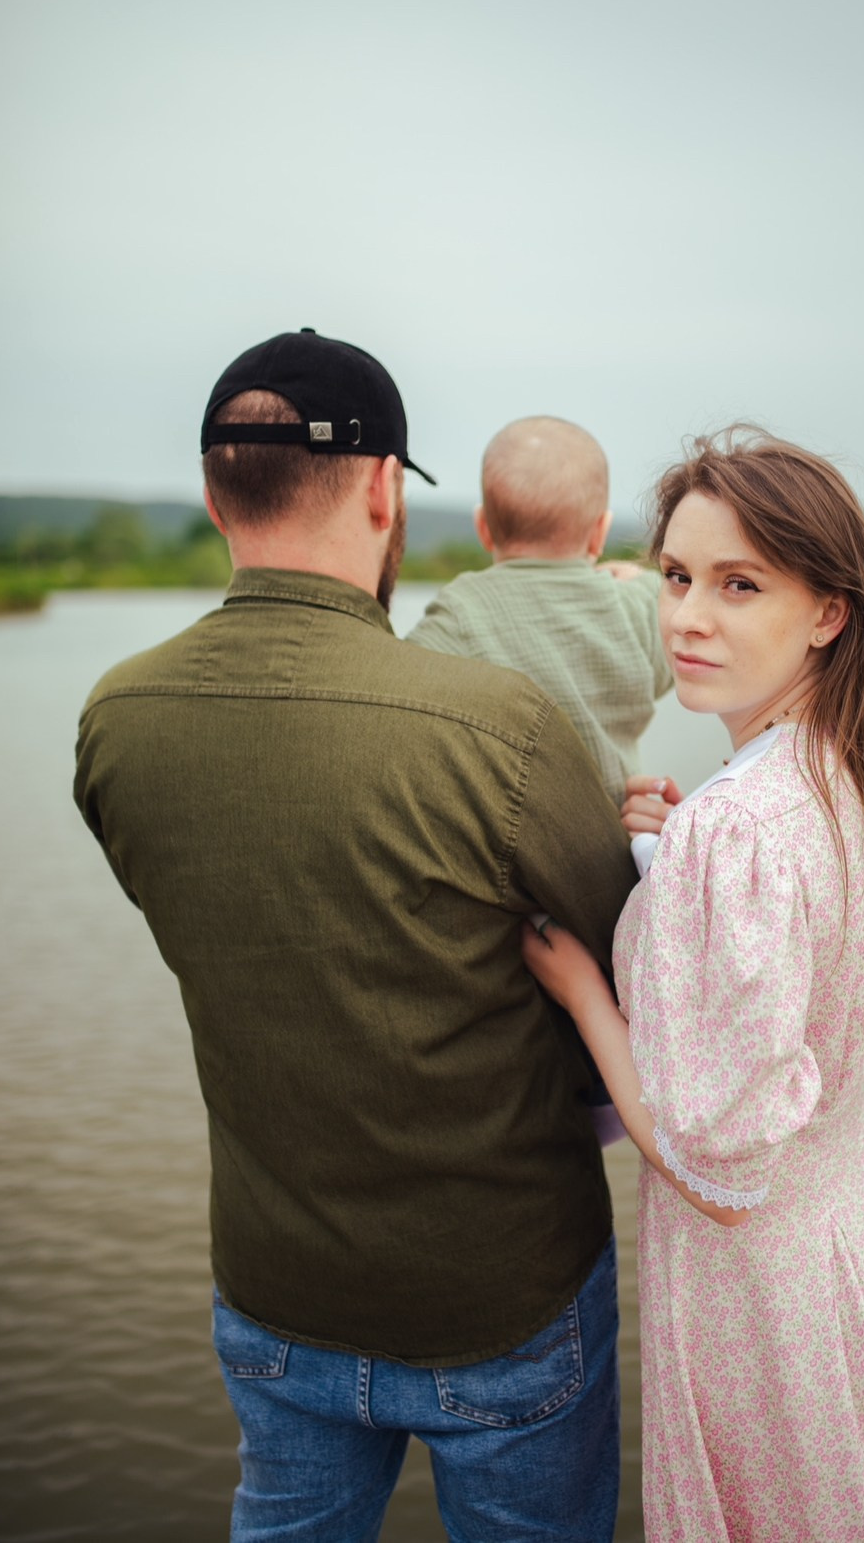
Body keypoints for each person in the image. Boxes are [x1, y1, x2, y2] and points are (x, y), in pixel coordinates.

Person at [74, 329, 638, 1543]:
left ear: (216, 492)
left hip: (276, 1298)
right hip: (504, 1303)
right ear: (385, 489)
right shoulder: (499, 727)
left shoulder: (117, 720)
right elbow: (630, 954)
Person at [522, 427, 864, 1542]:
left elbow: (714, 1168)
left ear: (829, 611)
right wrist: (681, 851)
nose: (689, 617)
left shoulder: (739, 831)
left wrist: (583, 986)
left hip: (780, 1295)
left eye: (740, 586)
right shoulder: (862, 762)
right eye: (679, 577)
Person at [407, 415, 672, 805]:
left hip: (508, 847)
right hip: (621, 842)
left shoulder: (459, 613)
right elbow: (675, 613)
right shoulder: (640, 603)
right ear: (600, 531)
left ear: (483, 527)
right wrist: (645, 581)